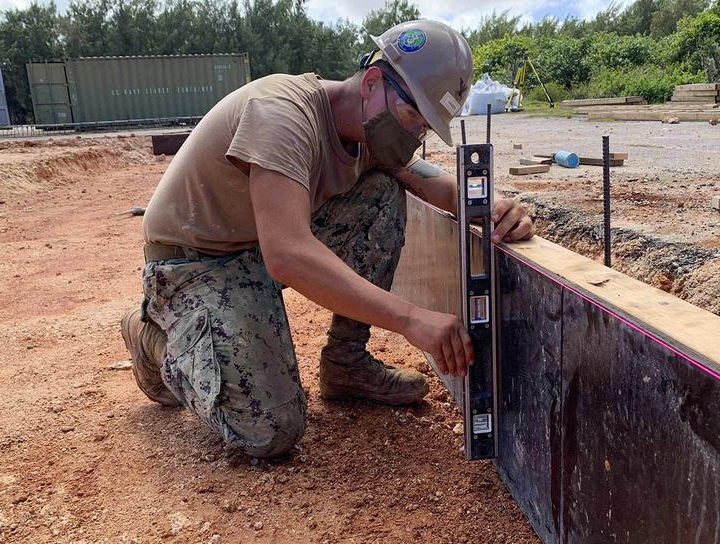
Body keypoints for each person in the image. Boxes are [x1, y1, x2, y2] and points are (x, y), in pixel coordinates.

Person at [121, 20, 534, 458]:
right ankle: (151, 337)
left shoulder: (368, 132)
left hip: (253, 247)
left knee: (382, 193)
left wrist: (491, 207)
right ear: (373, 81)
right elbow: (288, 254)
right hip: (195, 262)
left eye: (427, 127)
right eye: (414, 116)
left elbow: (433, 184)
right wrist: (412, 319)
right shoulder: (281, 112)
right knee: (269, 431)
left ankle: (345, 363)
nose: (416, 135)